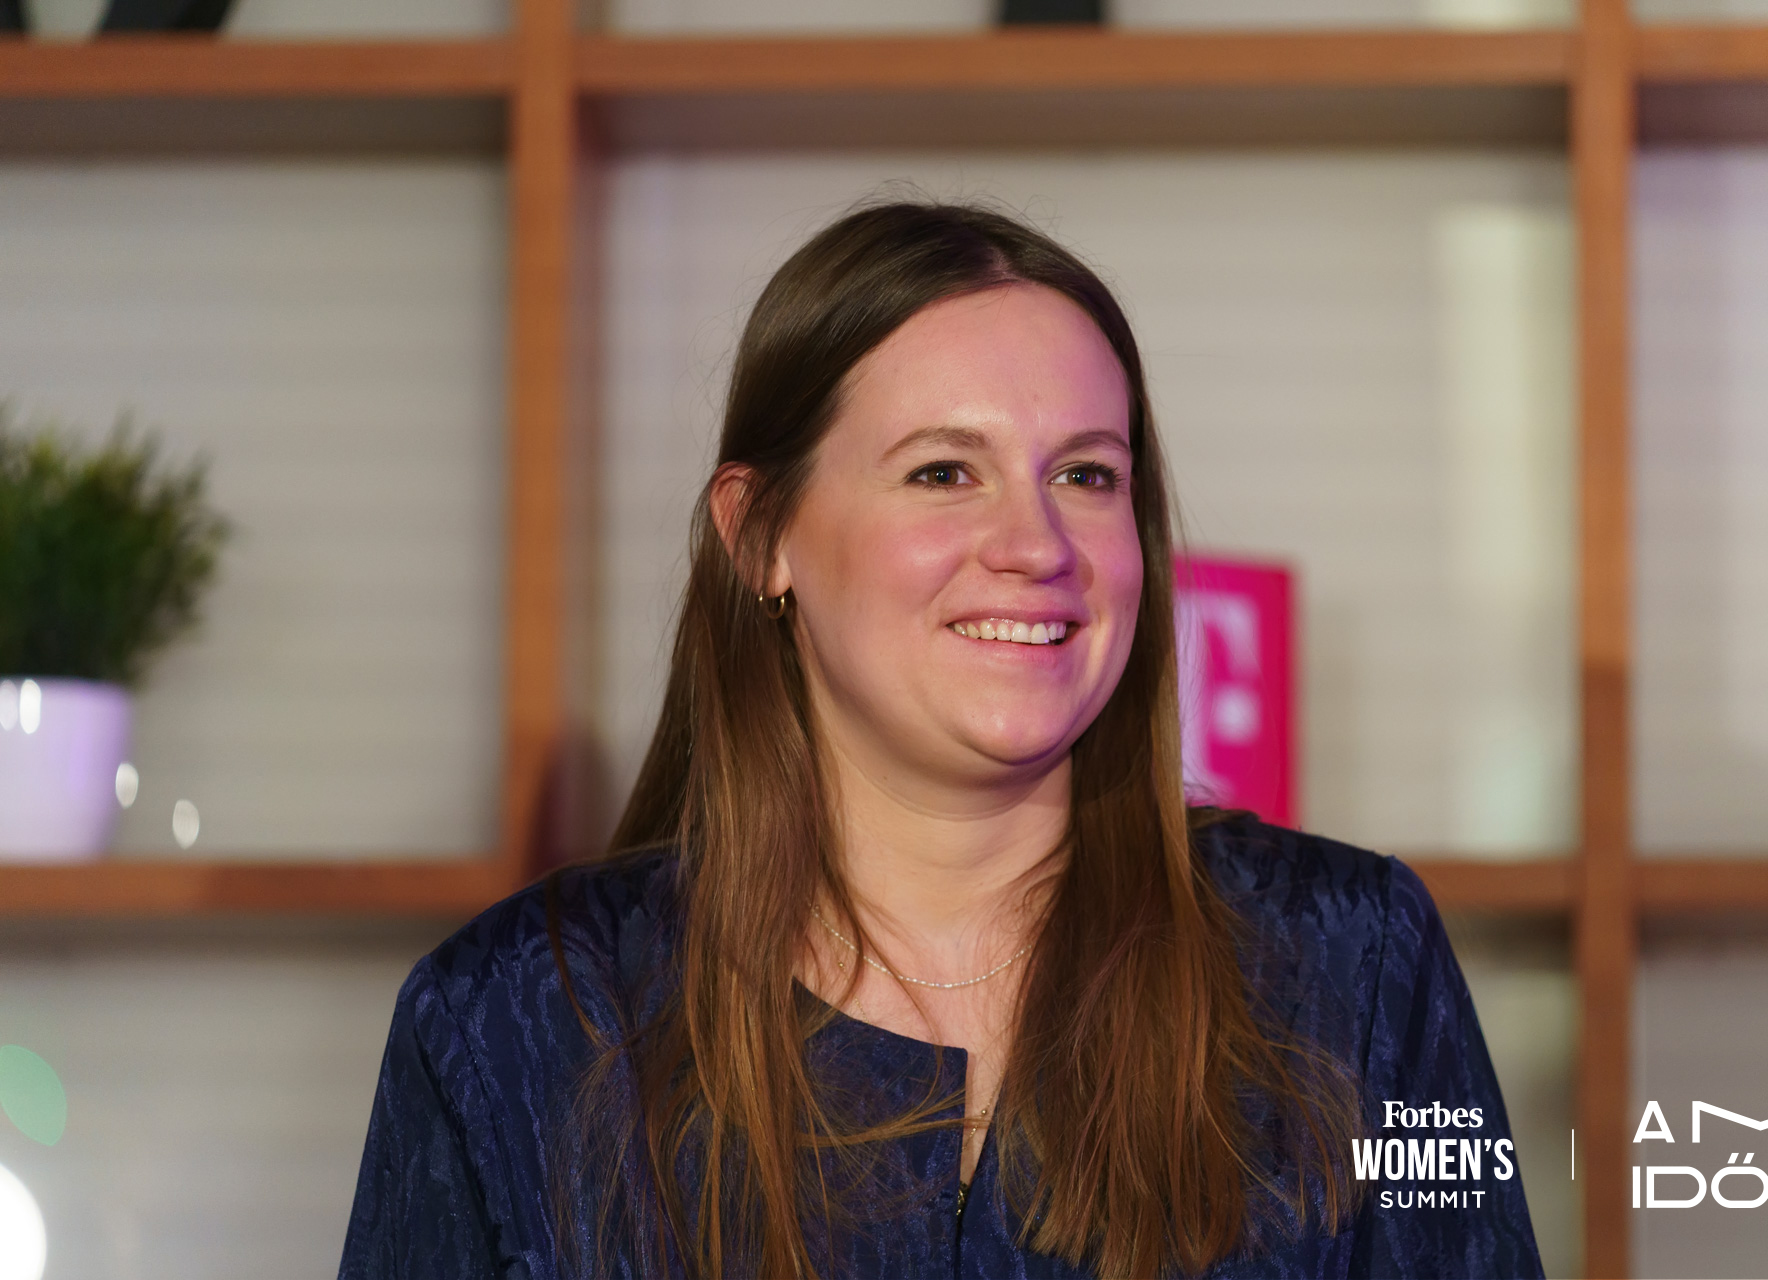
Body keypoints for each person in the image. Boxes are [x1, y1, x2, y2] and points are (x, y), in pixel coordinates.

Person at [339, 201, 1543, 1280]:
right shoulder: (517, 1020)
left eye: (1086, 474)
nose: (1037, 545)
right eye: (943, 471)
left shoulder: (1357, 965)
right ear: (761, 534)